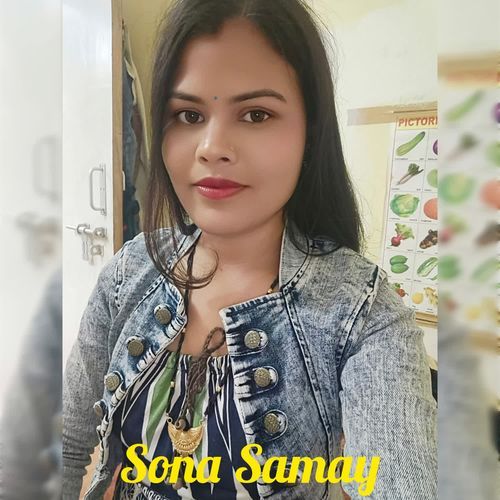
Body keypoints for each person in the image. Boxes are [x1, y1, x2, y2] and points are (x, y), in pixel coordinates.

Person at [63, 1, 437, 499]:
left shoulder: (362, 316)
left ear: (310, 133)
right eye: (189, 115)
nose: (212, 147)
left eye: (256, 114)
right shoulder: (129, 271)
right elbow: (63, 444)